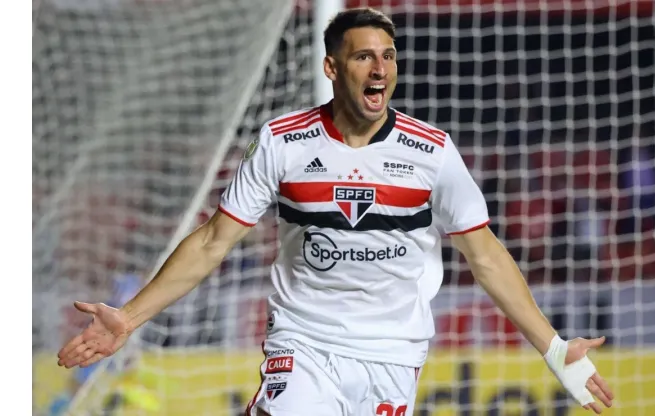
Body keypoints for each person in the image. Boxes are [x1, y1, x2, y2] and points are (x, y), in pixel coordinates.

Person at [57, 8, 614, 416]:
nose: (380, 69)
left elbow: (485, 255)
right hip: (304, 345)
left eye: (388, 56)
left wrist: (554, 347)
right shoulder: (283, 142)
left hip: (392, 355)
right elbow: (211, 242)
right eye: (364, 56)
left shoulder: (432, 152)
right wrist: (128, 319)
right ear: (331, 66)